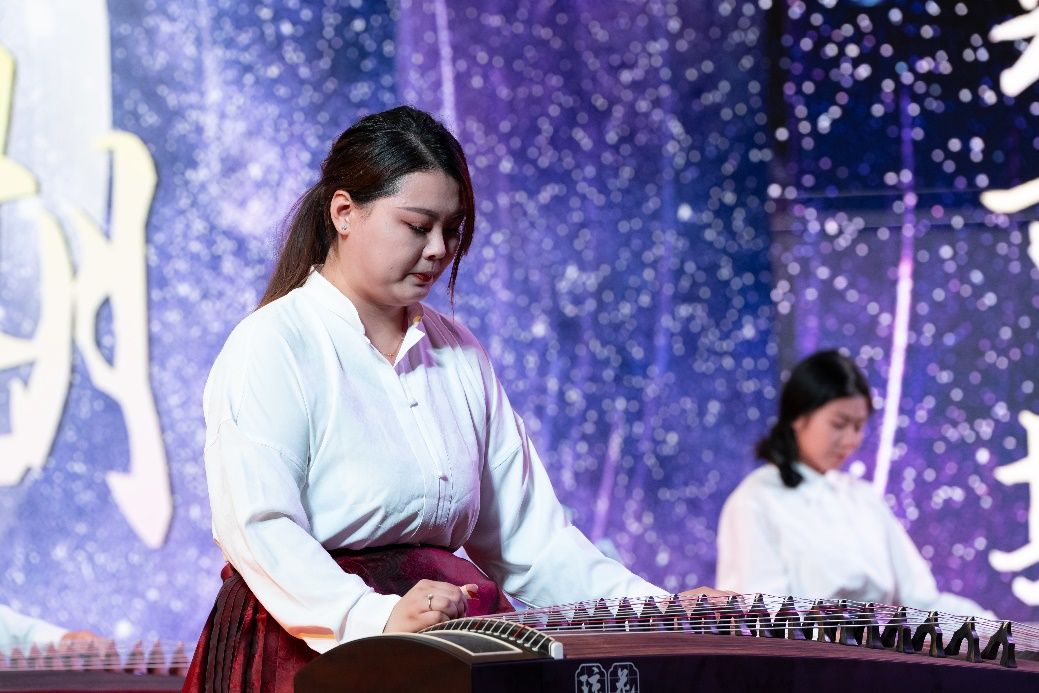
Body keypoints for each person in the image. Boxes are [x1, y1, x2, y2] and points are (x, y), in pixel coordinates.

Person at [184, 106, 722, 693]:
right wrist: (372, 617)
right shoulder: (273, 343)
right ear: (344, 213)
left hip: (449, 645)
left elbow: (531, 542)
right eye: (417, 226)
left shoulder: (459, 351)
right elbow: (260, 526)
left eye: (453, 229)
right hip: (307, 655)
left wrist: (654, 611)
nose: (439, 249)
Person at [715, 350, 994, 618]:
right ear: (798, 418)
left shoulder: (863, 497)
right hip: (807, 650)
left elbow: (921, 600)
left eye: (859, 426)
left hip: (880, 649)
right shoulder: (756, 500)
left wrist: (994, 628)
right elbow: (757, 615)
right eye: (839, 424)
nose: (851, 440)